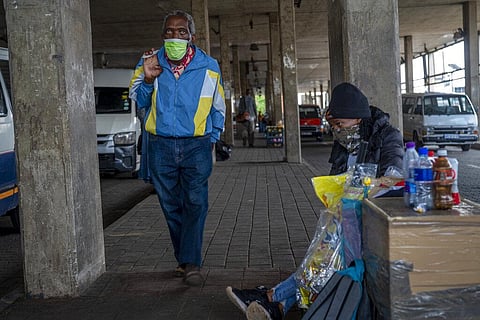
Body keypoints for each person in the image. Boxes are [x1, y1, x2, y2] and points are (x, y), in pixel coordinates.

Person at [225, 82, 404, 319]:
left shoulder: (387, 136)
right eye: (333, 126)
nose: (337, 131)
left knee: (329, 251)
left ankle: (272, 297)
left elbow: (394, 177)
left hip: (374, 217)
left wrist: (363, 191)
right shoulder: (345, 143)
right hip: (347, 218)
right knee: (326, 248)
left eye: (340, 125)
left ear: (357, 118)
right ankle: (277, 304)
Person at [129, 9, 226, 287]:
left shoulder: (209, 66)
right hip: (160, 146)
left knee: (195, 202)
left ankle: (191, 263)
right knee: (171, 205)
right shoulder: (149, 61)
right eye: (169, 32)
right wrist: (148, 79)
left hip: (197, 145)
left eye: (181, 32)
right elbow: (139, 101)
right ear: (163, 37)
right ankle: (184, 259)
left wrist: (212, 138)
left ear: (191, 37)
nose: (175, 36)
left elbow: (218, 106)